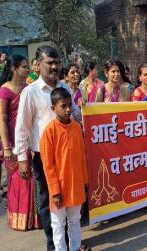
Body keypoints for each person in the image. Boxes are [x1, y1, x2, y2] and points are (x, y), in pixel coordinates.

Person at [14, 46, 81, 251]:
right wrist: (22, 158)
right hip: (44, 156)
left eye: (56, 62)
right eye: (49, 62)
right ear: (38, 64)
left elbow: (76, 113)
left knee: (69, 201)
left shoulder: (65, 87)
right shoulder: (30, 92)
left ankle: (72, 243)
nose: (54, 66)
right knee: (48, 201)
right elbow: (22, 126)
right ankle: (54, 245)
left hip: (68, 156)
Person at [40, 88, 88, 251]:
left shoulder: (76, 127)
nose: (68, 109)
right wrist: (54, 191)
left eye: (70, 105)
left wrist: (85, 182)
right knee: (58, 224)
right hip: (58, 188)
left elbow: (82, 157)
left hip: (76, 185)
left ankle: (74, 248)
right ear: (53, 108)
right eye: (63, 106)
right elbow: (48, 165)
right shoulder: (49, 132)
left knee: (75, 220)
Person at [0, 55, 40, 230]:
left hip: (27, 138)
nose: (27, 70)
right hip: (11, 141)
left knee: (32, 177)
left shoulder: (28, 88)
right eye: (24, 67)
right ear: (15, 69)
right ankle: (19, 219)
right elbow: (2, 119)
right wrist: (7, 147)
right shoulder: (4, 91)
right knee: (18, 179)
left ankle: (35, 219)